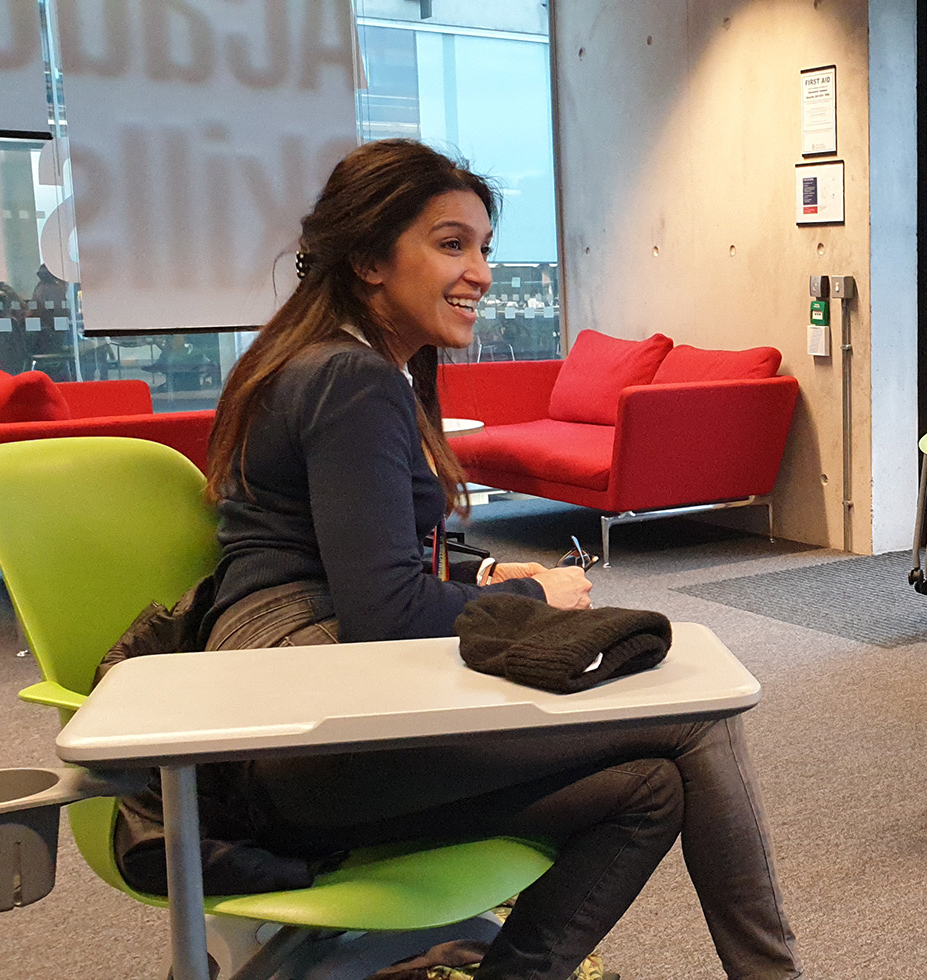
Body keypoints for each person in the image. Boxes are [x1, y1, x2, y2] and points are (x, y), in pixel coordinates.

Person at [176, 139, 801, 980]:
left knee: (652, 787)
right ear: (367, 257)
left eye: (484, 248)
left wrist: (483, 576)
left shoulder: (336, 364)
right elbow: (383, 616)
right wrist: (537, 596)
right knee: (696, 715)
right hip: (307, 725)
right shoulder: (351, 379)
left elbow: (351, 547)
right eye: (451, 244)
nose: (481, 273)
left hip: (289, 717)